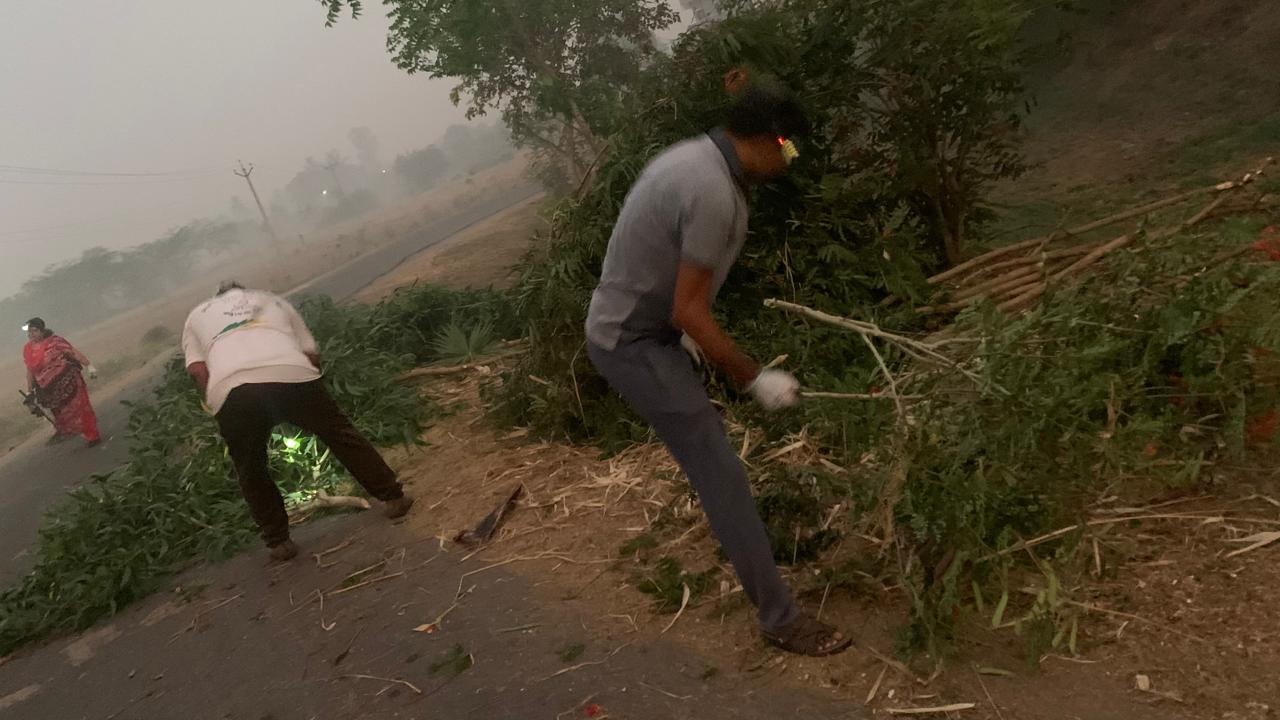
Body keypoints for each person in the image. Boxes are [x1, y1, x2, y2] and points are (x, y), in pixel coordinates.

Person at [584, 83, 851, 656]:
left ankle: (758, 549)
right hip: (630, 341)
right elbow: (689, 308)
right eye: (789, 148)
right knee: (719, 470)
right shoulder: (711, 191)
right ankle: (779, 619)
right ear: (768, 140)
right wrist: (753, 377)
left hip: (645, 328)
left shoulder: (693, 159)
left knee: (715, 459)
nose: (790, 161)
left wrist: (681, 329)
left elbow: (658, 266)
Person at [182, 281, 413, 562]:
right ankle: (394, 498)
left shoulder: (198, 314)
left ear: (217, 298)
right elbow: (312, 354)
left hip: (233, 389)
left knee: (250, 467)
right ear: (246, 291)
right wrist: (314, 391)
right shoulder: (273, 300)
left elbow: (198, 370)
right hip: (291, 372)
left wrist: (219, 407)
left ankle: (278, 542)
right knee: (340, 434)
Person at [22, 317, 101, 447]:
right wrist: (29, 390)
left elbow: (73, 352)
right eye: (29, 332)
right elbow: (30, 371)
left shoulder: (55, 341)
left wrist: (88, 365)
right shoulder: (28, 349)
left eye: (34, 331)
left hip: (70, 380)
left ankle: (92, 435)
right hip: (49, 389)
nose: (31, 334)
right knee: (62, 413)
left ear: (42, 331)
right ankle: (74, 430)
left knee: (81, 407)